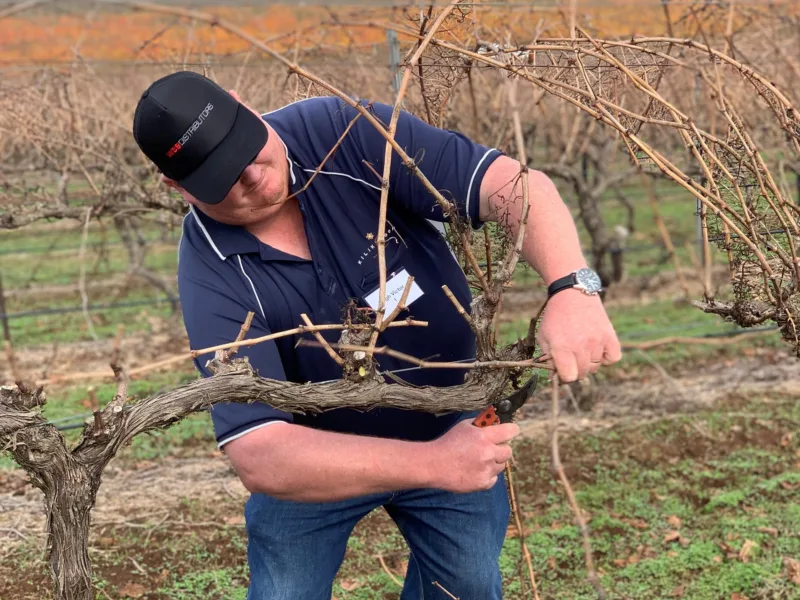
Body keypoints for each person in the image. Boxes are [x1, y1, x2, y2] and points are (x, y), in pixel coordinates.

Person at [132, 71, 621, 600]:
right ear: (176, 187)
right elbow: (260, 451)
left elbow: (513, 186)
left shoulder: (342, 133)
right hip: (321, 457)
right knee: (285, 593)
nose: (253, 175)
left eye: (247, 145)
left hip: (449, 414)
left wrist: (573, 287)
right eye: (224, 174)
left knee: (467, 587)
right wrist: (436, 465)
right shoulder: (211, 268)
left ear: (241, 102)